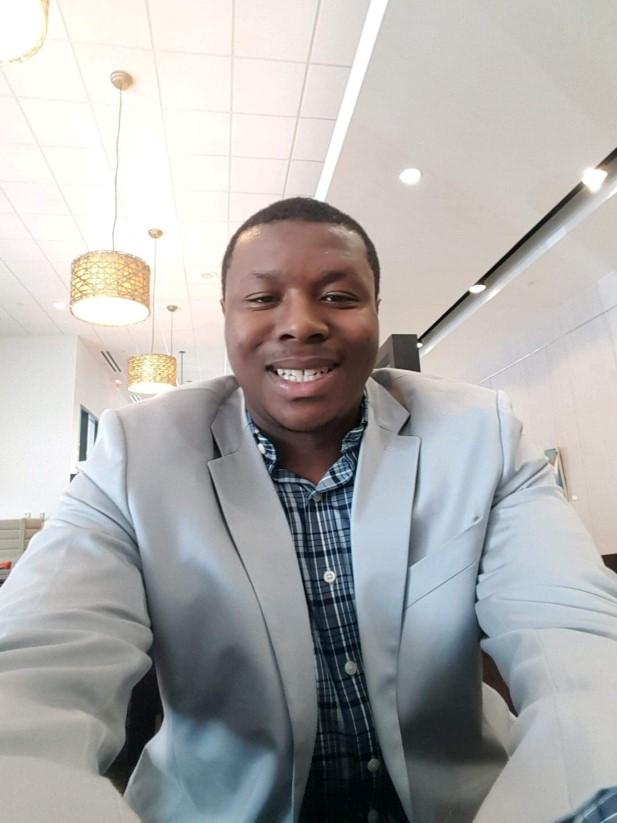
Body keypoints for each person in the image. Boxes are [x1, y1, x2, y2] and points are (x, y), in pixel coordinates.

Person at [0, 197, 616, 823]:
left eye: (339, 297)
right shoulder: (135, 455)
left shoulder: (479, 434)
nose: (300, 324)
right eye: (262, 299)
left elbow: (582, 644)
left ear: (376, 310)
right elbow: (32, 667)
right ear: (226, 315)